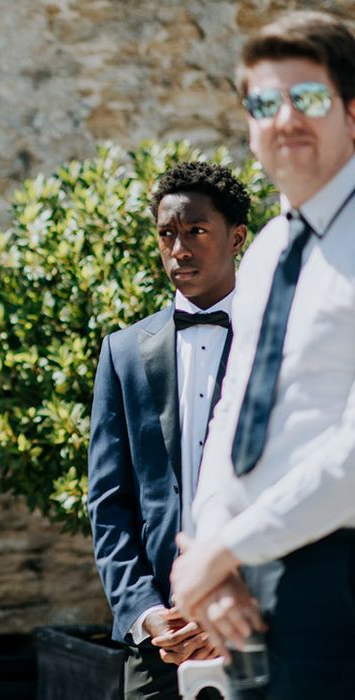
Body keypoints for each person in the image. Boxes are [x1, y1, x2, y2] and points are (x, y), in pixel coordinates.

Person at [170, 11, 355, 699]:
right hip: (252, 583)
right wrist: (214, 558)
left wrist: (225, 549)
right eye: (264, 104)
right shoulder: (271, 249)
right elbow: (232, 412)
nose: (286, 120)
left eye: (309, 99)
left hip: (339, 579)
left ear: (353, 114)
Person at [88, 161, 248, 699]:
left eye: (196, 231)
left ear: (237, 237)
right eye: (167, 234)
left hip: (258, 625)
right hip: (158, 641)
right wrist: (146, 613)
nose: (178, 248)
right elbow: (109, 502)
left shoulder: (276, 342)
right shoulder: (124, 352)